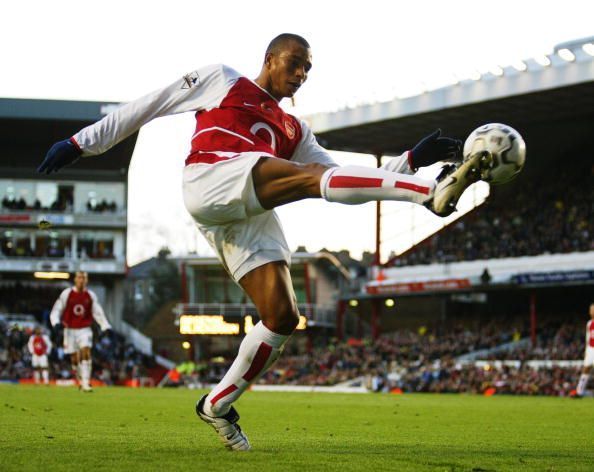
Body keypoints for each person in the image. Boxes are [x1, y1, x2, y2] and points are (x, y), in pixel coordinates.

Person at [38, 33, 492, 450]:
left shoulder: (295, 131)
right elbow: (152, 104)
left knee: (282, 317)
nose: (300, 75)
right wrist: (82, 142)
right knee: (302, 177)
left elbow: (341, 183)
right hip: (211, 178)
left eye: (307, 70)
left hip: (245, 209)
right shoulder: (223, 80)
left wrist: (410, 159)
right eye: (294, 64)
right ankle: (432, 197)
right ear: (269, 59)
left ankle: (216, 405)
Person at [49, 271, 111, 392]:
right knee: (74, 359)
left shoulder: (90, 296)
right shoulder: (67, 294)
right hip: (69, 330)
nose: (81, 280)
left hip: (84, 329)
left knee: (86, 351)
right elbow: (57, 309)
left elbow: (97, 312)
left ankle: (86, 383)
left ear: (86, 280)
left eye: (84, 278)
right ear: (75, 279)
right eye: (79, 277)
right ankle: (80, 379)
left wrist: (105, 326)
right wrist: (55, 322)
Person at [575, 303, 594, 397]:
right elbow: (588, 337)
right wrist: (586, 351)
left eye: (593, 309)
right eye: (591, 309)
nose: (592, 311)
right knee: (586, 369)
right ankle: (579, 391)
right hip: (591, 349)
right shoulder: (589, 323)